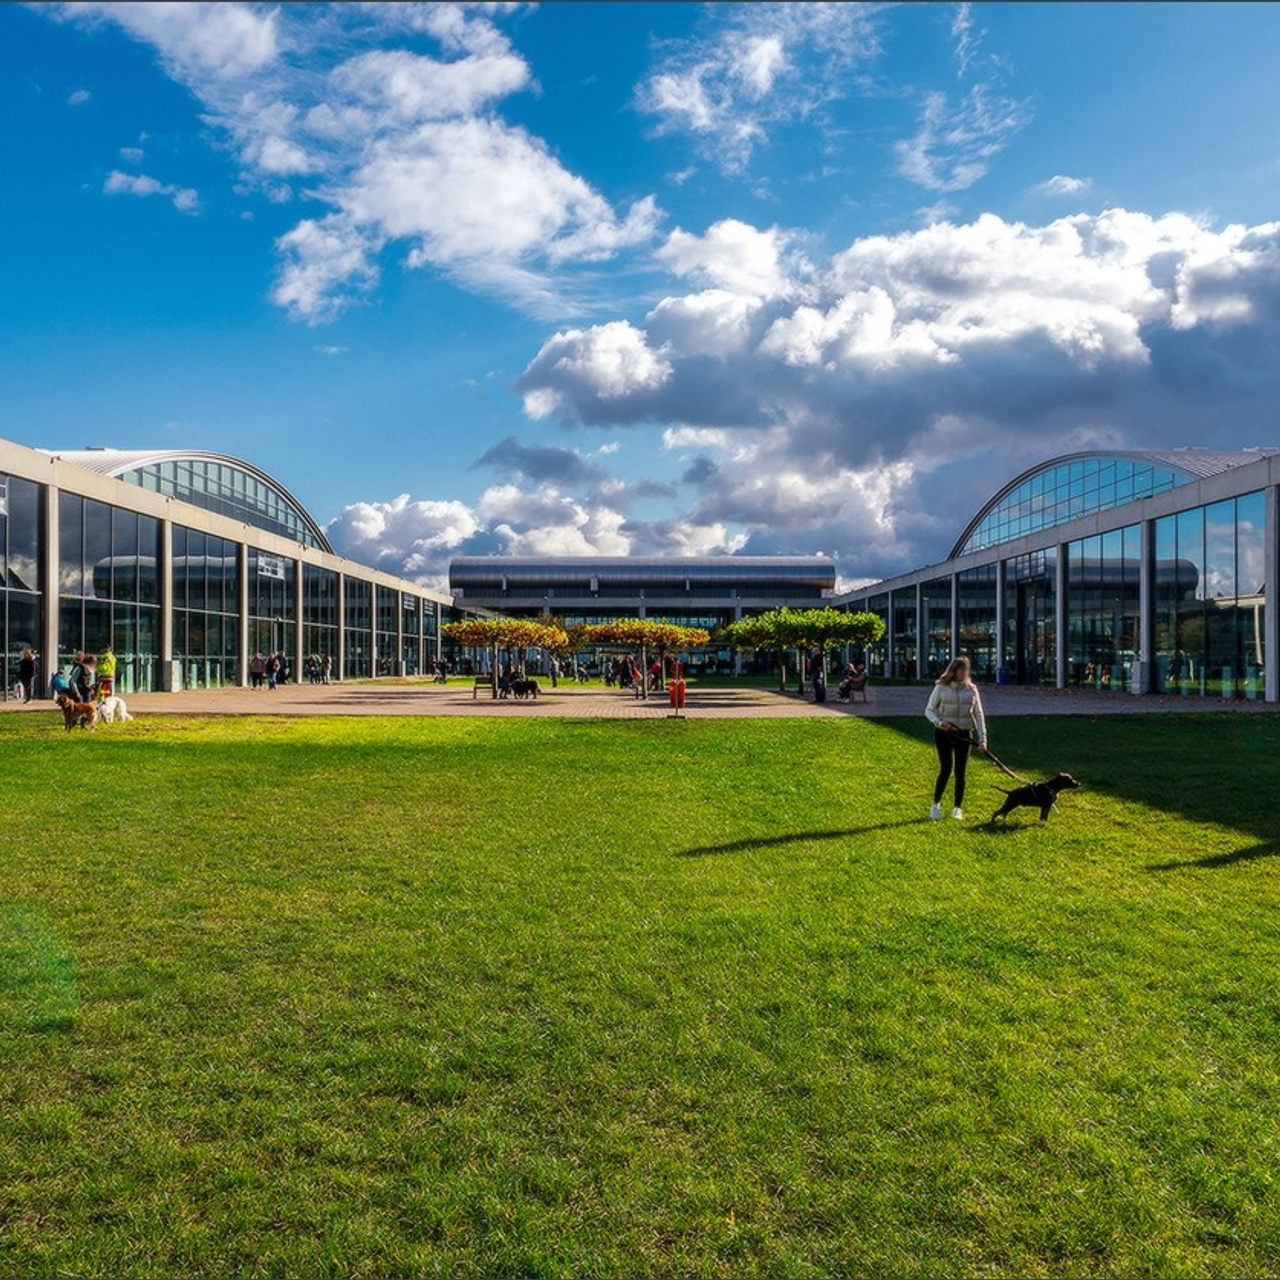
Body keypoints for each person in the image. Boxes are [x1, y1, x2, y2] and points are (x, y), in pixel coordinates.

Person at [924, 655, 988, 821]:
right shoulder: (941, 687)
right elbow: (929, 710)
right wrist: (939, 722)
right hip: (944, 733)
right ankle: (935, 805)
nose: (964, 673)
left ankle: (957, 808)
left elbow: (979, 714)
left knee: (961, 772)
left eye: (966, 670)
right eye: (961, 670)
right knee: (945, 769)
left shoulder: (972, 689)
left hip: (964, 734)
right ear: (954, 670)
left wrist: (983, 739)